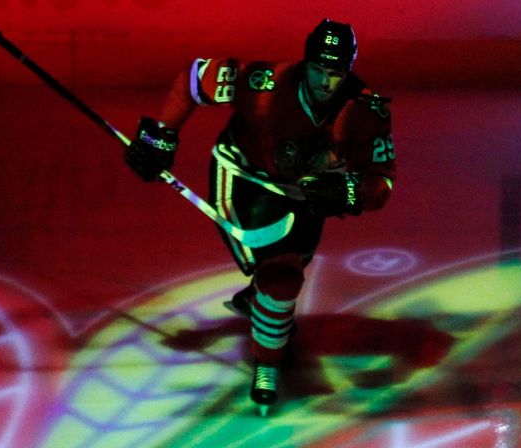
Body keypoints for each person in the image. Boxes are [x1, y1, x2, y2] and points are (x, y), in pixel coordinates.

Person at [124, 18, 397, 414]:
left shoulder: (367, 112)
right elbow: (194, 78)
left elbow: (383, 182)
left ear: (349, 71)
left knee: (286, 273)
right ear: (306, 62)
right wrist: (164, 134)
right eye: (318, 69)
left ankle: (260, 304)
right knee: (282, 276)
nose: (324, 82)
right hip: (244, 177)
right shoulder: (262, 84)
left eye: (335, 73)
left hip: (306, 192)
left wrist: (349, 190)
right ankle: (267, 363)